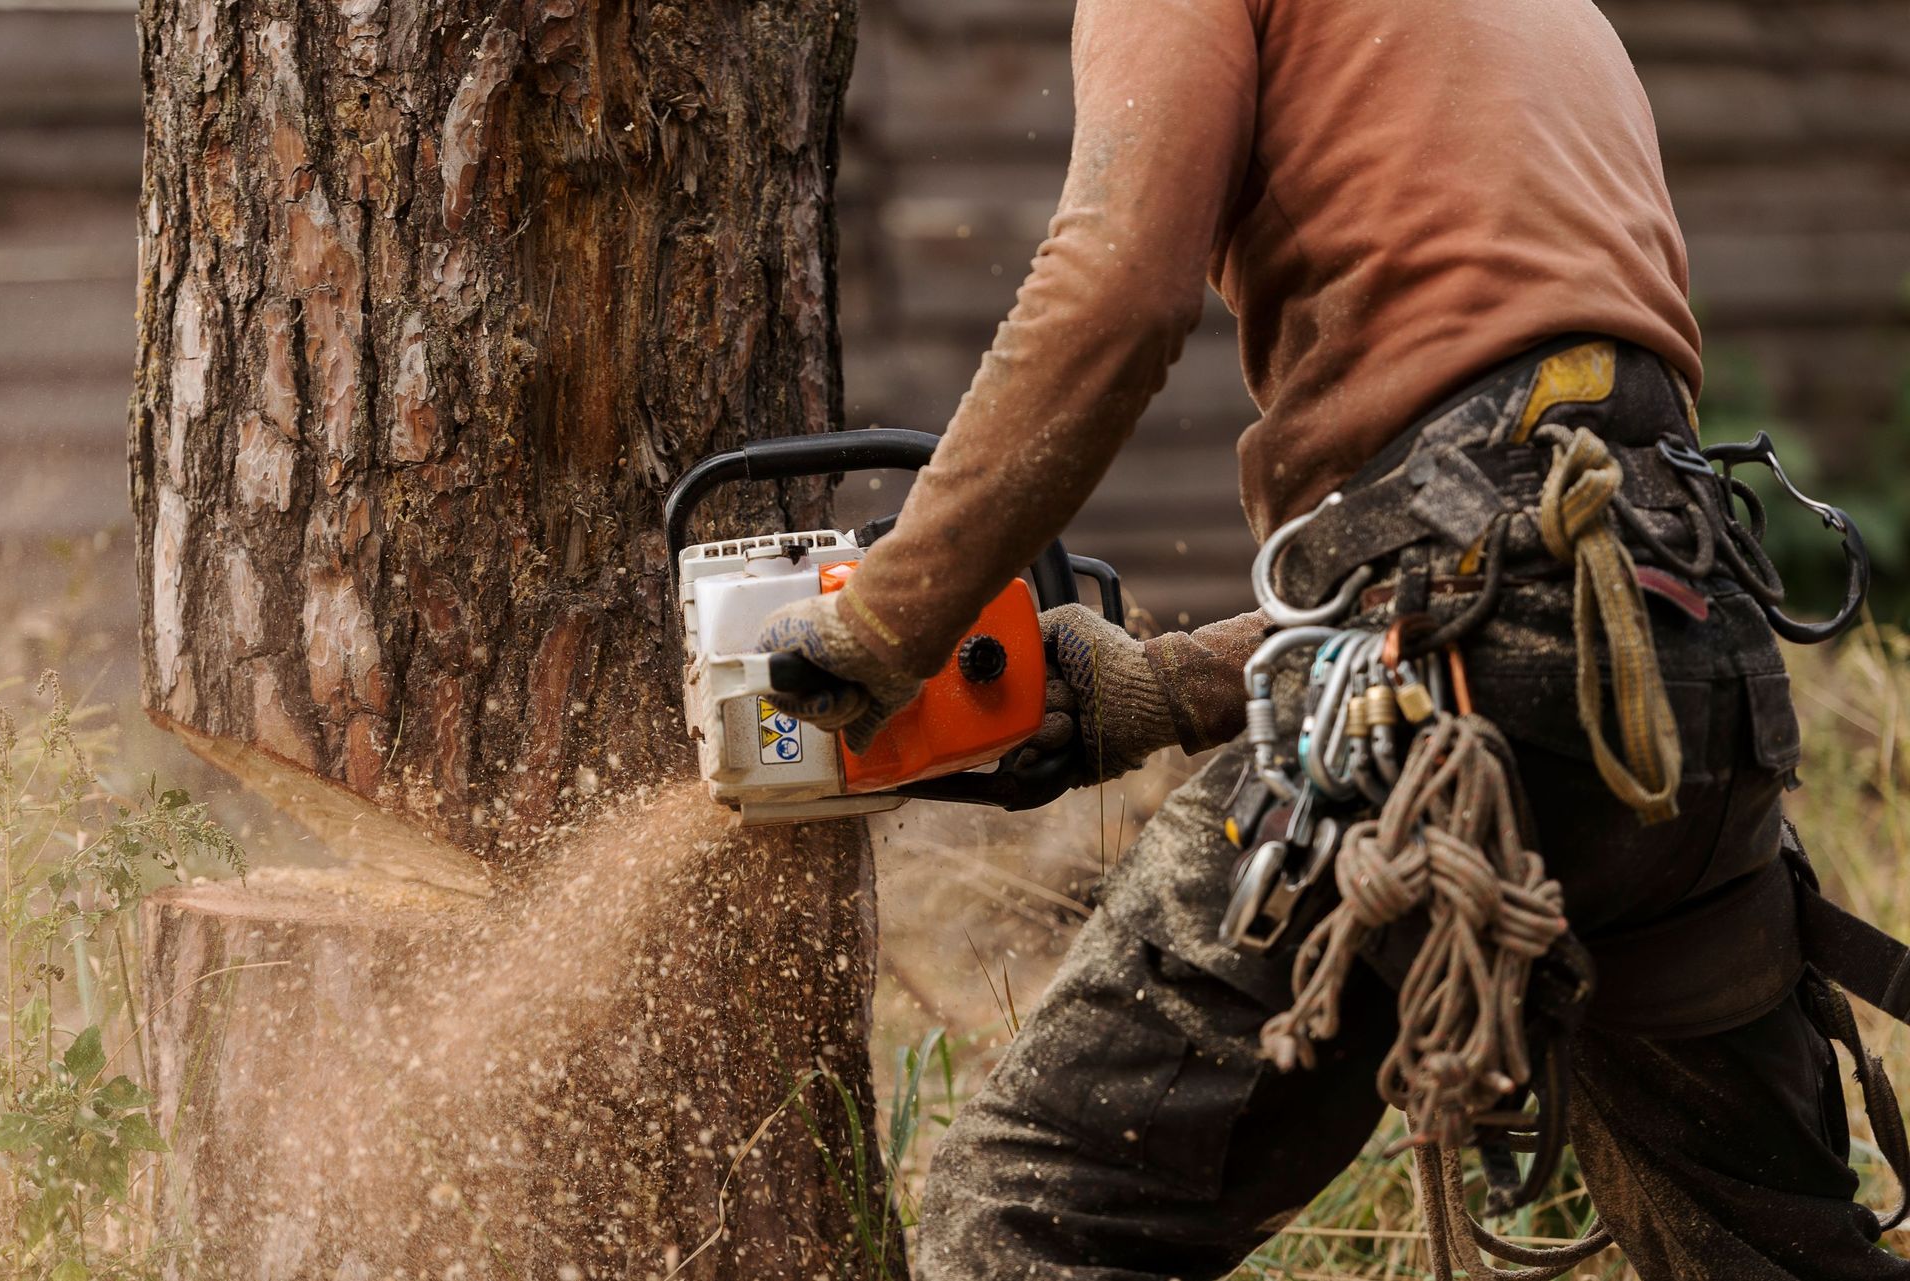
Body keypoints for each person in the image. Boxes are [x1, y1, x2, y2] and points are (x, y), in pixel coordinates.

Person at [756, 0, 1910, 1276]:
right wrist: (1161, 688)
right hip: (1691, 653)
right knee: (1767, 1256)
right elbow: (1527, 514)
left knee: (1029, 1202)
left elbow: (1118, 288)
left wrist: (888, 618)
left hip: (1482, 666)